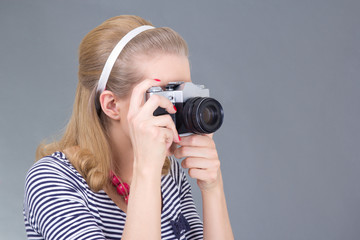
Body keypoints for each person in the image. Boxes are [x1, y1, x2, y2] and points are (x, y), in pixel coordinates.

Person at [23, 15, 234, 240]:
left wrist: (213, 188)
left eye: (182, 92)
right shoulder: (51, 180)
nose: (178, 108)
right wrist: (146, 172)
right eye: (164, 94)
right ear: (112, 105)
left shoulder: (170, 175)